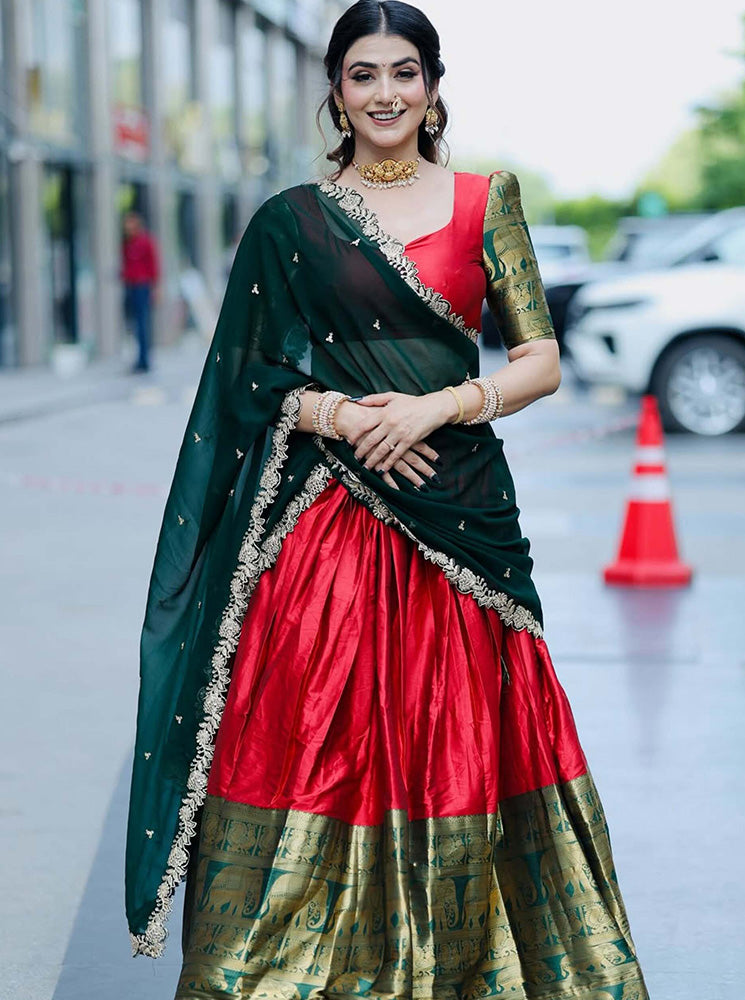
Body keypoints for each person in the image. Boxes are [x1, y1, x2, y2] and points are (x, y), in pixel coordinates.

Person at [126, 3, 650, 997]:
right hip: (325, 526)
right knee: (308, 736)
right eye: (361, 75)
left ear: (434, 86)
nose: (383, 94)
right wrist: (335, 411)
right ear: (335, 91)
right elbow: (244, 377)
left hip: (459, 527)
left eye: (402, 73)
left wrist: (434, 408)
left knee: (462, 743)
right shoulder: (291, 220)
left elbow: (538, 359)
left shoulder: (485, 200)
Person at [121, 210, 160, 373]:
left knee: (142, 324)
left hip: (142, 287)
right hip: (130, 287)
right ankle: (139, 358)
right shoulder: (126, 244)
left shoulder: (145, 242)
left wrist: (156, 288)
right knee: (133, 325)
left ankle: (144, 360)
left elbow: (154, 266)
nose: (127, 227)